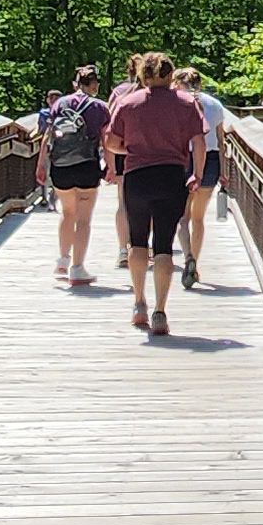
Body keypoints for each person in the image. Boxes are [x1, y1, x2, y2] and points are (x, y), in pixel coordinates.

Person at [100, 48, 205, 336]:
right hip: (172, 176)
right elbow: (198, 141)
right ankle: (160, 311)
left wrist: (129, 149)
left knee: (137, 242)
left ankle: (138, 304)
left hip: (137, 177)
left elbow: (110, 141)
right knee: (163, 245)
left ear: (142, 75)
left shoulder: (128, 103)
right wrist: (196, 172)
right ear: (171, 75)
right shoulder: (186, 103)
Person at [35, 67, 108, 285]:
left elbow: (48, 136)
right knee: (84, 219)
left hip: (61, 165)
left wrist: (41, 164)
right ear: (93, 85)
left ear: (76, 83)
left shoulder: (59, 104)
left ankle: (63, 259)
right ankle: (77, 269)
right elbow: (106, 139)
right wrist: (111, 167)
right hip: (87, 165)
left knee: (67, 213)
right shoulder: (100, 107)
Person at [175, 64, 230, 290]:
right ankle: (195, 262)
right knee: (199, 218)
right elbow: (221, 139)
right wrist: (224, 172)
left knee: (182, 217)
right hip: (211, 161)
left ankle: (187, 256)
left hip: (183, 159)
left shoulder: (176, 102)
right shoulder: (215, 105)